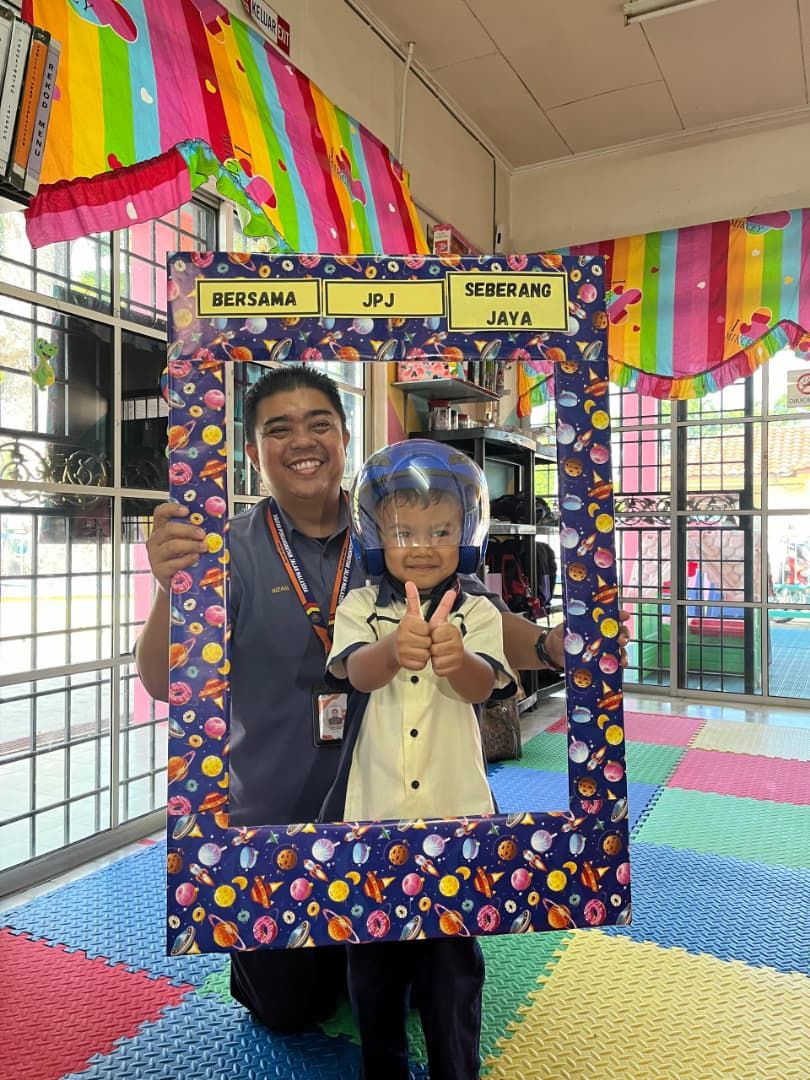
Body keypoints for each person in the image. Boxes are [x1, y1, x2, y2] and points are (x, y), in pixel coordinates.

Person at [135, 364, 628, 1034]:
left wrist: (552, 646)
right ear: (251, 450)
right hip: (278, 820)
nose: (301, 441)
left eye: (319, 424)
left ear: (344, 438)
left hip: (401, 810)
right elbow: (163, 682)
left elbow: (477, 615)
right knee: (290, 1011)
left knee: (430, 989)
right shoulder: (228, 551)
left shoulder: (398, 519)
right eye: (278, 429)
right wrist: (172, 586)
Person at [321, 440, 514, 1080]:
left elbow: (484, 687)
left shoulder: (477, 610)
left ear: (467, 535)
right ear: (377, 537)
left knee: (452, 965)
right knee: (374, 967)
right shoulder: (360, 606)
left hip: (455, 812)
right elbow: (354, 672)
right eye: (405, 533)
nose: (424, 546)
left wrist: (458, 660)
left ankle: (457, 1067)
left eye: (442, 531)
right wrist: (391, 650)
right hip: (374, 814)